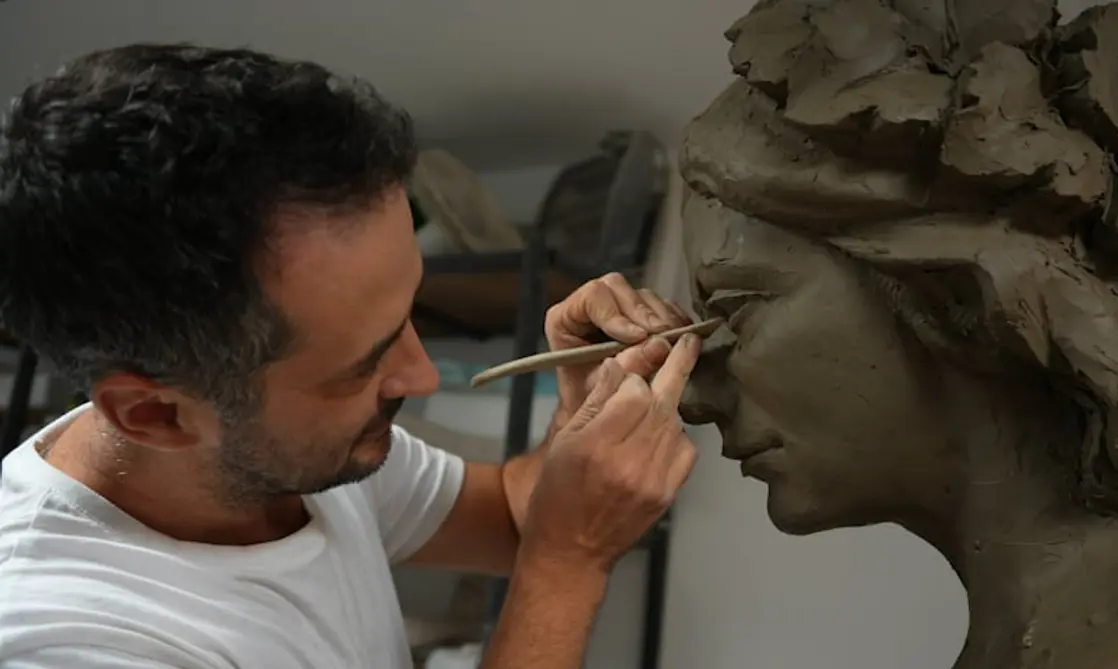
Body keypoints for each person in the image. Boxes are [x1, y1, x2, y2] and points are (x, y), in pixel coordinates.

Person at [0, 44, 701, 669]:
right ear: (155, 413)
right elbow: (548, 544)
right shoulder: (68, 640)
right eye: (363, 364)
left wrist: (583, 407)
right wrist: (566, 565)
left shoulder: (292, 451)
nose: (421, 375)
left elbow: (516, 519)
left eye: (408, 315)